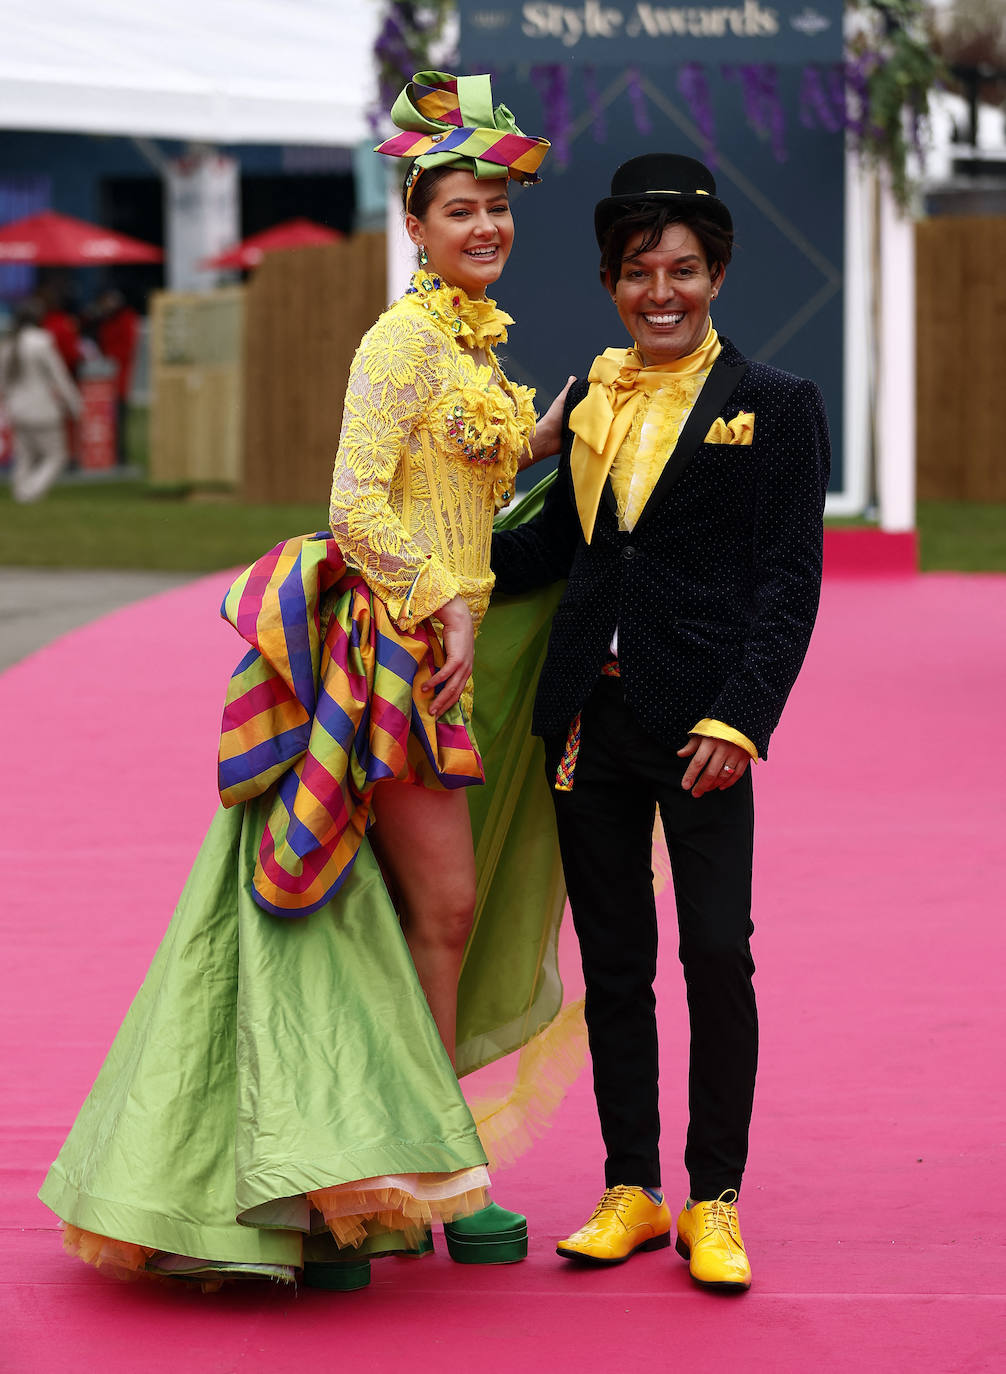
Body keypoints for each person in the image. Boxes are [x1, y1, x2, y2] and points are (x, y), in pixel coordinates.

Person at [38, 71, 576, 1291]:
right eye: (459, 207)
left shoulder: (463, 340)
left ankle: (377, 1193)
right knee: (430, 914)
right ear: (414, 222)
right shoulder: (400, 339)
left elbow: (459, 484)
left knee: (389, 930)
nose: (485, 223)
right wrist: (437, 598)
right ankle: (406, 1193)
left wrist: (542, 440)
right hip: (383, 659)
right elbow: (354, 508)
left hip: (433, 657)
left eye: (496, 201)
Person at [491, 154, 830, 1291]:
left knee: (715, 955)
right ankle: (629, 1187)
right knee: (616, 962)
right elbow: (559, 552)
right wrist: (428, 558)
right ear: (609, 282)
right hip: (587, 722)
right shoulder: (588, 396)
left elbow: (788, 582)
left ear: (718, 275)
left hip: (702, 734)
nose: (661, 292)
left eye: (682, 269)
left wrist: (741, 719)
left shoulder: (775, 407)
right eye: (639, 272)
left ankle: (713, 1199)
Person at [0, 297, 82, 503]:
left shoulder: (8, 344)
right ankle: (30, 493)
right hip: (42, 409)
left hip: (17, 409)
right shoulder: (41, 341)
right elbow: (59, 376)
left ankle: (20, 492)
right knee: (57, 456)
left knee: (25, 456)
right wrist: (75, 404)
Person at [94, 289, 139, 465]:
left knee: (119, 421)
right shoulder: (107, 321)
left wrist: (107, 358)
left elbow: (125, 349)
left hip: (119, 380)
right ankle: (109, 454)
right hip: (106, 379)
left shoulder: (125, 319)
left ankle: (121, 456)